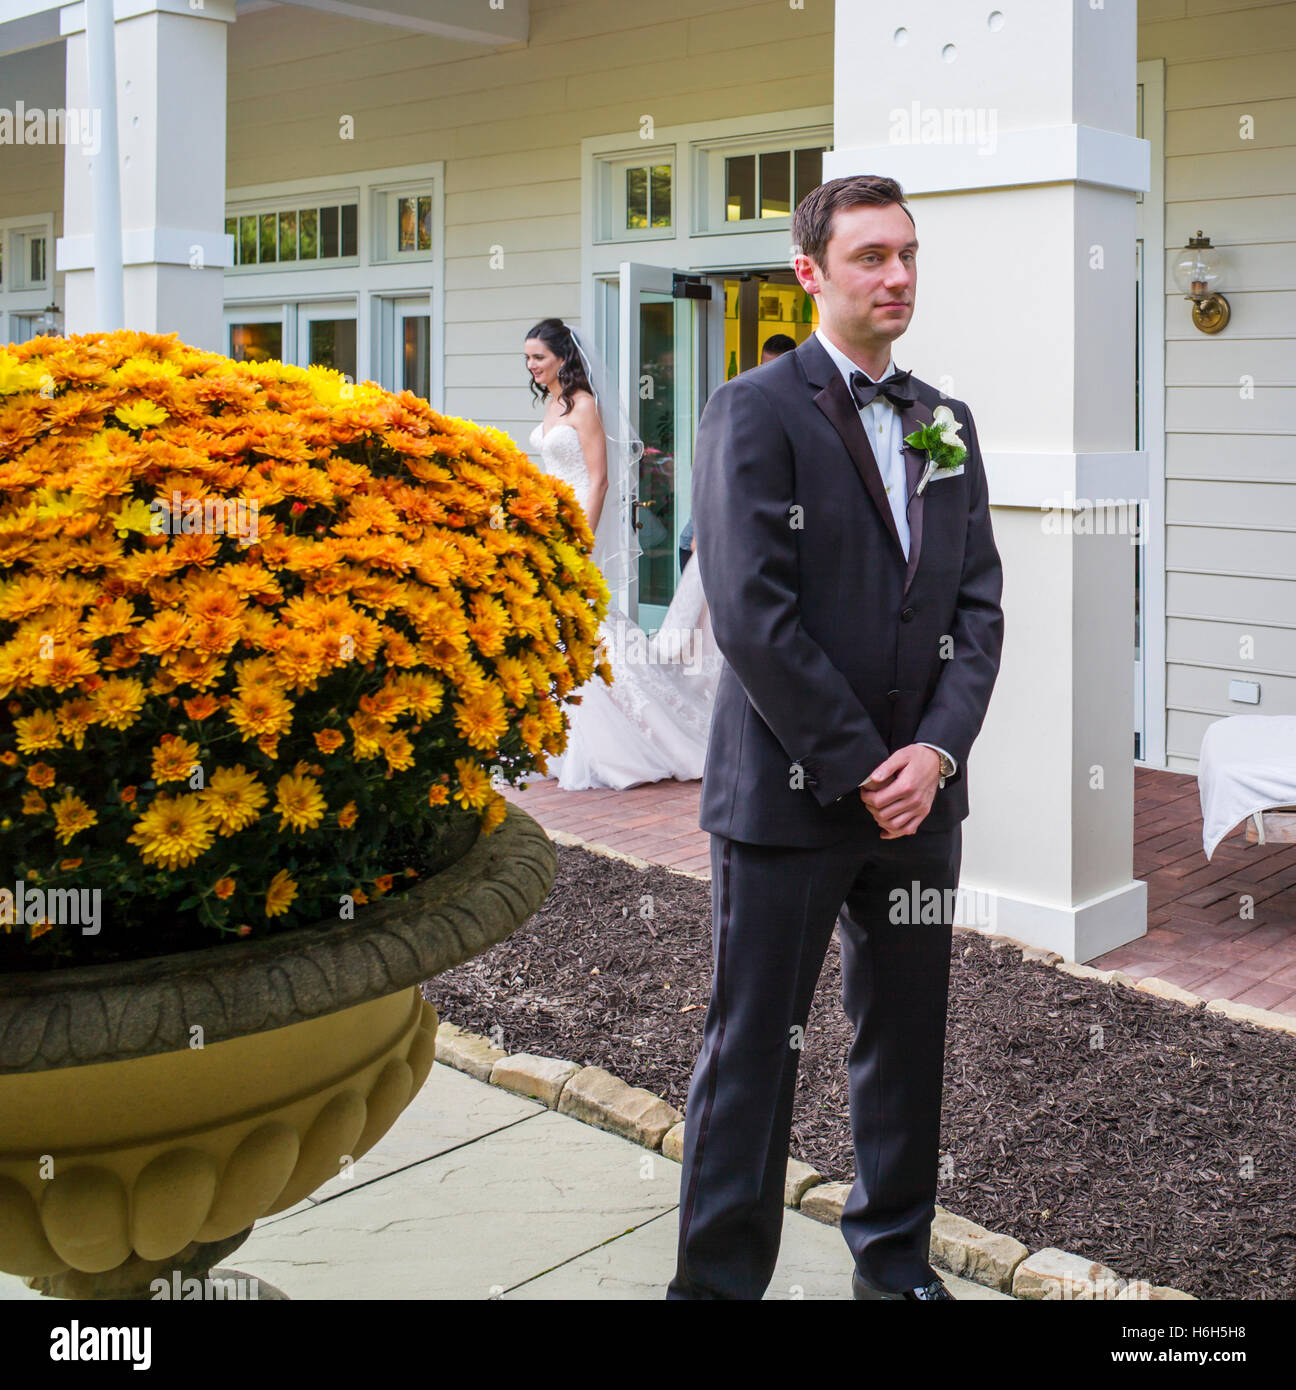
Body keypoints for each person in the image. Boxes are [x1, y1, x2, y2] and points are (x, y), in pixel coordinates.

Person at [667, 174, 1004, 1301]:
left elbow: (977, 607)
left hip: (920, 806)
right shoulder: (751, 410)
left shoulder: (945, 423)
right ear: (810, 272)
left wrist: (936, 756)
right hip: (788, 799)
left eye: (908, 254)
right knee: (752, 1052)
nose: (898, 276)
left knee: (905, 1046)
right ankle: (715, 1288)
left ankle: (895, 1265)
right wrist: (866, 763)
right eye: (871, 256)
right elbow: (754, 616)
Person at [523, 318, 722, 790]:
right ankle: (562, 736)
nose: (531, 366)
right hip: (548, 523)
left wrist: (580, 540)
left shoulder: (585, 406)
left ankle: (621, 739)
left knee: (585, 626)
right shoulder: (552, 403)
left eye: (539, 357)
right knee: (558, 629)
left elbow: (599, 480)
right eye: (528, 358)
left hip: (576, 529)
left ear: (563, 358)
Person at [678, 334, 796, 572]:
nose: (772, 376)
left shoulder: (799, 407)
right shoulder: (742, 399)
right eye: (767, 367)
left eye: (779, 369)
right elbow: (712, 471)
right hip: (708, 542)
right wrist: (701, 534)